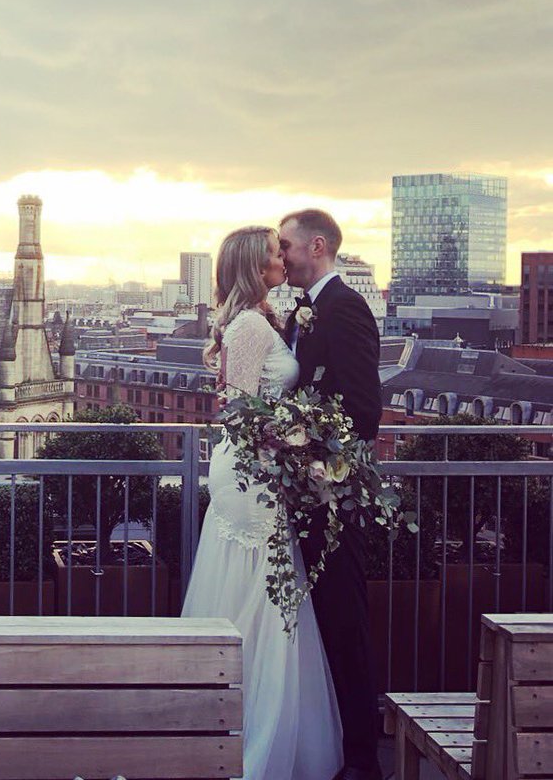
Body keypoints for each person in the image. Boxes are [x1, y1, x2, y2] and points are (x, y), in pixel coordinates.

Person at [182, 225, 343, 780]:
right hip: (250, 474)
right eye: (275, 254)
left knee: (264, 588)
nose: (283, 260)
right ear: (256, 266)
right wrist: (293, 438)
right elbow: (239, 412)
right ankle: (254, 731)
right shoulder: (250, 325)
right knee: (261, 590)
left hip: (258, 470)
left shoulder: (256, 318)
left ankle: (243, 722)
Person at [279, 209, 383, 780]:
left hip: (333, 499)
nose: (281, 256)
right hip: (307, 495)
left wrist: (313, 460)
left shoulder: (345, 307)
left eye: (286, 246)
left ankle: (364, 760)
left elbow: (363, 412)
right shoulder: (305, 309)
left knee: (345, 622)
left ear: (316, 246)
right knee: (322, 621)